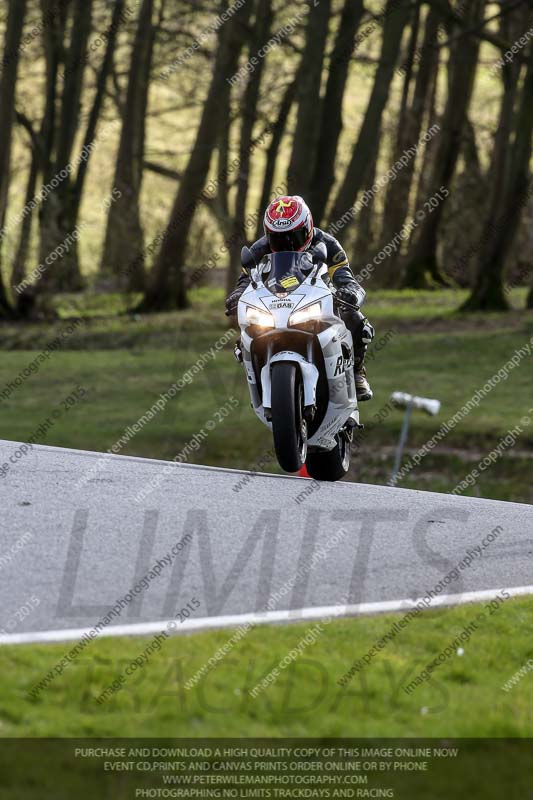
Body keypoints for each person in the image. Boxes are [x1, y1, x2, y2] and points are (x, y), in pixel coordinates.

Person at [225, 195, 374, 400]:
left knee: (355, 319)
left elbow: (345, 277)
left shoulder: (328, 244)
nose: (287, 243)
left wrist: (350, 293)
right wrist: (237, 295)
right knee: (247, 331)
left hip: (317, 299)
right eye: (278, 238)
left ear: (308, 227)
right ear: (269, 234)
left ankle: (357, 372)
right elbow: (245, 279)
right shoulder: (258, 249)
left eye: (293, 236)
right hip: (274, 304)